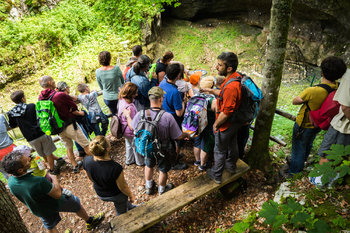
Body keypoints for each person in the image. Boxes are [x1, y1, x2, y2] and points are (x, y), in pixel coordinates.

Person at [2, 150, 104, 232]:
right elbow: (58, 194)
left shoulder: (11, 181)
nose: (29, 160)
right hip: (53, 203)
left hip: (38, 209)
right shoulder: (38, 182)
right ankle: (90, 222)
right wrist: (53, 177)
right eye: (26, 161)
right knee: (75, 202)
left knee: (50, 226)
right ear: (20, 170)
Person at [288, 56, 347, 175]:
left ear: (322, 72)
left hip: (303, 125)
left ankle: (293, 174)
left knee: (297, 150)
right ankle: (302, 164)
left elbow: (295, 101)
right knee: (308, 144)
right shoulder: (338, 88)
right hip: (319, 123)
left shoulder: (312, 91)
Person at [131, 87, 189, 195]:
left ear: (150, 99)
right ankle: (162, 190)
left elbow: (134, 127)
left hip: (147, 146)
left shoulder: (141, 114)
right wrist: (186, 134)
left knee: (148, 165)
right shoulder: (167, 117)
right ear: (161, 99)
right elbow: (177, 136)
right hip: (163, 149)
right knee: (163, 169)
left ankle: (149, 187)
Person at [202, 52, 243, 184]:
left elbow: (227, 112)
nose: (216, 67)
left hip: (226, 123)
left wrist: (216, 124)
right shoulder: (235, 78)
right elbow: (225, 94)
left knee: (219, 150)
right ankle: (231, 166)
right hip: (235, 122)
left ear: (229, 68)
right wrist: (211, 91)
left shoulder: (231, 86)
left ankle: (217, 175)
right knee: (233, 144)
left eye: (220, 65)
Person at [38, 76, 90, 173]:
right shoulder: (59, 95)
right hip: (70, 125)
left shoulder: (41, 98)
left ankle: (75, 166)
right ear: (49, 82)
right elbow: (74, 106)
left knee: (68, 147)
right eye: (53, 81)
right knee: (86, 144)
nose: (54, 82)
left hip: (58, 128)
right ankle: (97, 162)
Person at [7, 90, 65, 175]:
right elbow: (39, 116)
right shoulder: (31, 106)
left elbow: (12, 125)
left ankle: (58, 161)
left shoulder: (12, 113)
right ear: (23, 98)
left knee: (42, 153)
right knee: (48, 152)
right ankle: (53, 170)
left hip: (30, 137)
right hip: (41, 132)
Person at [83, 136, 136, 215]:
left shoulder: (87, 160)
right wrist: (131, 195)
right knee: (121, 208)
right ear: (107, 148)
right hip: (115, 195)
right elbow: (123, 187)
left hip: (100, 193)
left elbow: (89, 177)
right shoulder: (115, 168)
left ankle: (129, 206)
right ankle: (122, 222)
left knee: (122, 200)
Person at [318, 68, 350, 163]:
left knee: (328, 158)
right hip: (342, 125)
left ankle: (321, 177)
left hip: (343, 128)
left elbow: (345, 107)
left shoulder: (348, 75)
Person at [159, 63, 187, 169]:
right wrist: (183, 102)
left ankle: (173, 156)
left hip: (163, 114)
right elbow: (179, 113)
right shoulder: (174, 92)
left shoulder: (162, 83)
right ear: (177, 76)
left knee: (169, 140)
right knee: (177, 139)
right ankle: (174, 162)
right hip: (173, 118)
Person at [56, 81, 91, 158]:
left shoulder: (56, 97)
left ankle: (75, 164)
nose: (69, 89)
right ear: (66, 88)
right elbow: (74, 109)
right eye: (68, 87)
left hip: (60, 127)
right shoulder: (64, 97)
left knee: (69, 148)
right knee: (85, 142)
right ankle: (96, 161)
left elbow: (74, 99)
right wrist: (81, 113)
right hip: (70, 123)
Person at [117, 82, 144, 166]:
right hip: (130, 131)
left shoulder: (121, 100)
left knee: (129, 145)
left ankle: (129, 160)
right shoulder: (130, 107)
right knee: (136, 146)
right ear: (130, 94)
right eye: (135, 93)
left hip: (124, 129)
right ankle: (140, 162)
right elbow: (132, 126)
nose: (136, 95)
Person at [96, 51, 124, 115]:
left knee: (115, 115)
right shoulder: (116, 68)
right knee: (122, 114)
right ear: (109, 59)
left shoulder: (98, 71)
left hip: (107, 99)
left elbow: (101, 87)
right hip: (119, 96)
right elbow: (123, 81)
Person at [0, 114, 15, 179]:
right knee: (20, 169)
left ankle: (14, 187)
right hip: (10, 148)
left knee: (7, 174)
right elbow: (7, 127)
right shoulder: (1, 116)